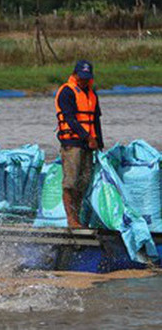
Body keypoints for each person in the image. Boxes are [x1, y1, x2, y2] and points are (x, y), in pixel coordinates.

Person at [54, 60, 104, 228]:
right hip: (72, 143)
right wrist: (87, 137)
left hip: (88, 145)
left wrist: (99, 142)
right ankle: (71, 219)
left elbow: (95, 119)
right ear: (75, 74)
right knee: (71, 182)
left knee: (83, 183)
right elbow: (70, 119)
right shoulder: (66, 92)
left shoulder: (91, 93)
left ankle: (78, 218)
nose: (84, 80)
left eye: (87, 78)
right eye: (81, 77)